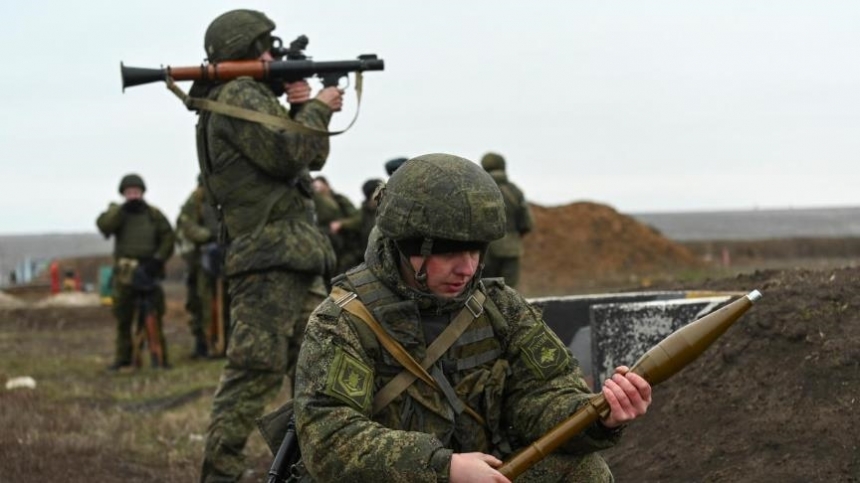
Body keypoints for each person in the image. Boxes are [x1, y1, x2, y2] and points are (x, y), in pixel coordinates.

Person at [293, 154, 652, 482]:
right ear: (408, 245)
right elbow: (330, 439)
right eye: (448, 252)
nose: (467, 269)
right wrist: (443, 468)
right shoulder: (343, 322)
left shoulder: (499, 307)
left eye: (476, 250)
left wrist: (593, 414)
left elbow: (541, 393)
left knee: (584, 472)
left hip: (487, 474)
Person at [194, 9, 343, 482]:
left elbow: (309, 151)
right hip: (267, 262)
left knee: (323, 374)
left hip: (290, 260)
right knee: (253, 376)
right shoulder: (238, 94)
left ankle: (311, 468)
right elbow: (287, 154)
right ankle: (221, 474)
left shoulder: (251, 97)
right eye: (264, 48)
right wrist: (317, 104)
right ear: (244, 51)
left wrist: (304, 107)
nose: (270, 56)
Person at [96, 173, 175, 371]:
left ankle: (160, 358)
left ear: (142, 192)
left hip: (149, 271)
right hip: (125, 274)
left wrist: (158, 260)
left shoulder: (153, 215)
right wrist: (121, 211)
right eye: (129, 192)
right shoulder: (118, 214)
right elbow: (104, 225)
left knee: (153, 315)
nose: (133, 196)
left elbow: (168, 237)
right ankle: (123, 358)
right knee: (124, 318)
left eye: (136, 192)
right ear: (123, 194)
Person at [176, 175, 226, 358]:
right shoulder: (196, 199)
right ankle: (204, 343)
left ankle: (224, 343)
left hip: (226, 255)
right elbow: (186, 225)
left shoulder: (228, 195)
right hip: (201, 260)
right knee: (200, 301)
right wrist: (208, 237)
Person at [480, 152, 534, 289]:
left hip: (484, 250)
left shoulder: (478, 190)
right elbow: (526, 223)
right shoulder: (515, 191)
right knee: (509, 293)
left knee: (483, 291)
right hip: (510, 248)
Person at [312, 176, 360, 279]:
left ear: (327, 185)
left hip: (345, 246)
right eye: (314, 188)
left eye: (319, 187)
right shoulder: (313, 203)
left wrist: (341, 224)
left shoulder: (340, 200)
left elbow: (356, 219)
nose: (317, 190)